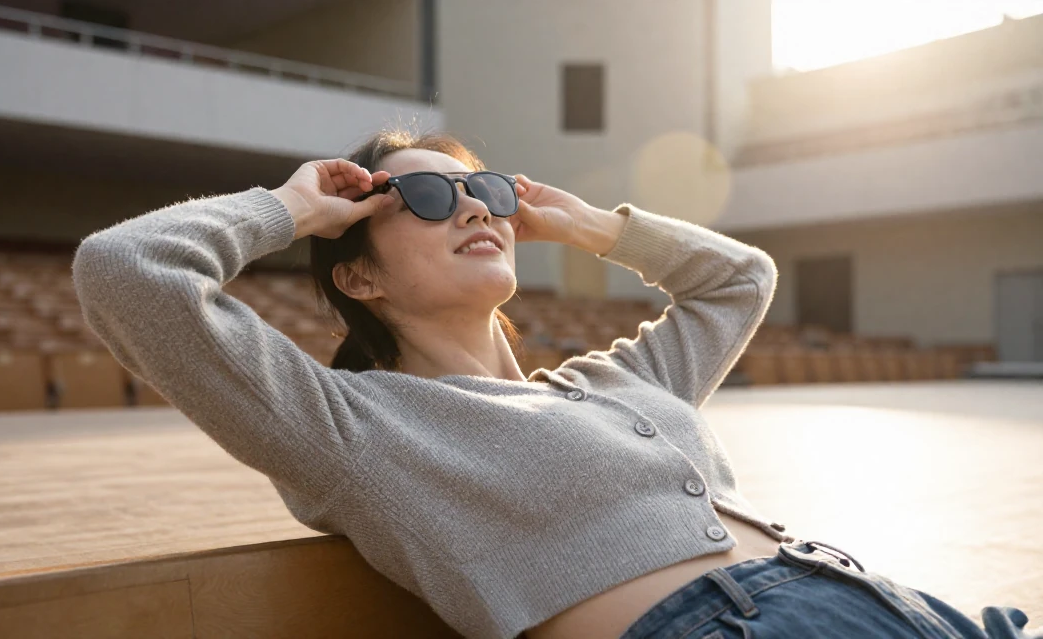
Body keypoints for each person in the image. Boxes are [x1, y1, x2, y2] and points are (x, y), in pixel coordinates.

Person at [71, 128, 1040, 639]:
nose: (473, 208)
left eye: (487, 191)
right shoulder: (350, 426)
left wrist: (589, 225)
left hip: (891, 601)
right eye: (424, 196)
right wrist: (288, 207)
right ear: (357, 273)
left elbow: (737, 278)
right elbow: (125, 270)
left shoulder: (619, 380)